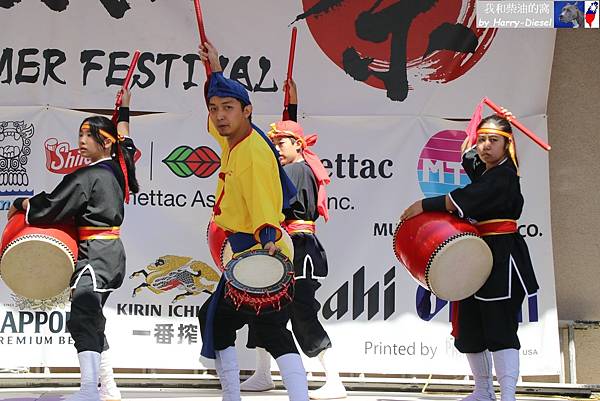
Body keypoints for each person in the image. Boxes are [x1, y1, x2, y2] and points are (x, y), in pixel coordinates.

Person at [8, 90, 139, 401]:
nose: (81, 140)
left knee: (82, 319)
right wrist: (126, 108)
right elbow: (126, 141)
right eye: (79, 134)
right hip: (109, 254)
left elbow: (53, 204)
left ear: (104, 142)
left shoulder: (90, 174)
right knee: (91, 319)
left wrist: (22, 203)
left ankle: (89, 391)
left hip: (95, 256)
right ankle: (107, 388)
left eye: (88, 135)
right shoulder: (119, 168)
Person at [197, 41, 309, 401]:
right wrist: (212, 70)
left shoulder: (253, 154)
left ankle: (239, 395)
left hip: (261, 246)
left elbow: (263, 204)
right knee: (256, 326)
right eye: (214, 108)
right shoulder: (236, 138)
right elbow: (218, 118)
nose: (219, 116)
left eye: (227, 108)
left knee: (231, 322)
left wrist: (267, 244)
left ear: (247, 110)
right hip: (251, 247)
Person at [400, 112, 539, 401]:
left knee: (500, 325)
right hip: (476, 254)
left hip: (502, 256)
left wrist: (424, 204)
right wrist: (474, 127)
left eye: (494, 141)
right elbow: (470, 160)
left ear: (508, 146)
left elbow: (464, 198)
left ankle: (508, 394)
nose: (485, 146)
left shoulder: (504, 176)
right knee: (471, 325)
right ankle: (482, 390)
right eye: (482, 139)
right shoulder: (488, 172)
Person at [240, 79, 346, 400]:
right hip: (290, 248)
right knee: (263, 309)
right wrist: (292, 106)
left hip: (300, 250)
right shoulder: (297, 166)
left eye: (280, 144)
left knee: (302, 313)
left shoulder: (299, 171)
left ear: (298, 145)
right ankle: (262, 373)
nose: (276, 149)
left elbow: (281, 204)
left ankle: (334, 379)